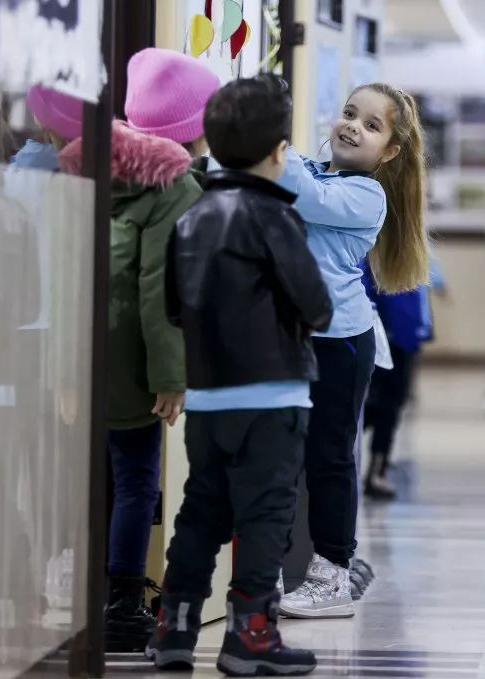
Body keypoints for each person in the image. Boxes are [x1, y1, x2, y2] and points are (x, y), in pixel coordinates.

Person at [145, 75, 330, 677]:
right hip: (272, 396)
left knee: (201, 511)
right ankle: (251, 635)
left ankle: (173, 628)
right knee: (266, 516)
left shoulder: (190, 218)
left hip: (207, 397)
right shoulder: (275, 216)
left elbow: (175, 307)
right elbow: (316, 306)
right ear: (279, 152)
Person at [59, 48, 220, 652]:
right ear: (195, 126)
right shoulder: (175, 188)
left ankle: (83, 591)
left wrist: (62, 367)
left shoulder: (86, 167)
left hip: (80, 346)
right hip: (133, 359)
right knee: (136, 480)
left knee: (90, 475)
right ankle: (123, 606)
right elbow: (161, 290)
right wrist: (171, 377)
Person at [276, 84, 431, 619]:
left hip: (339, 342)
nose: (352, 126)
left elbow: (303, 195)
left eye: (371, 125)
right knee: (281, 456)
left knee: (330, 458)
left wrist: (266, 136)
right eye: (348, 113)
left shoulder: (367, 195)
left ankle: (332, 577)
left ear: (390, 151)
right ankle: (274, 567)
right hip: (291, 337)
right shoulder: (309, 167)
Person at [360, 261, 439, 500]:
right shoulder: (391, 244)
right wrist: (407, 332)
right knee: (385, 406)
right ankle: (376, 471)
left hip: (399, 333)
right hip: (394, 336)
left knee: (386, 405)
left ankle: (377, 466)